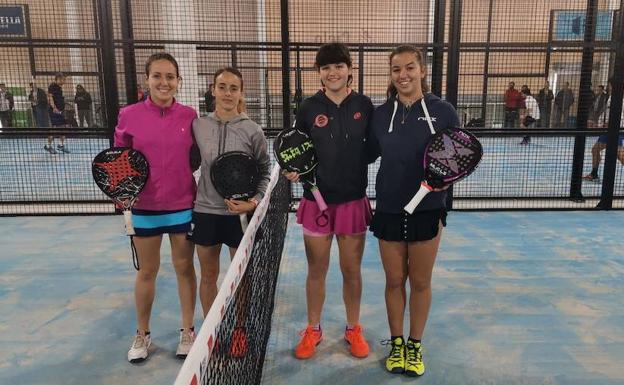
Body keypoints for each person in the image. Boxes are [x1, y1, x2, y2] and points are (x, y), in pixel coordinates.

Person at [367, 45, 460, 377]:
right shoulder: (379, 115)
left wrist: (446, 185)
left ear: (422, 70)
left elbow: (454, 158)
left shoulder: (444, 112)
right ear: (390, 74)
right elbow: (363, 155)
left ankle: (415, 345)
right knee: (394, 280)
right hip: (389, 208)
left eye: (409, 68)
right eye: (396, 69)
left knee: (420, 281)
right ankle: (396, 343)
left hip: (427, 209)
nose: (403, 75)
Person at [283, 43, 374, 360]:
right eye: (325, 68)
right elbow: (295, 150)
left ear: (349, 69)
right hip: (315, 201)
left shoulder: (364, 104)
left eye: (338, 66)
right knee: (316, 270)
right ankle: (314, 328)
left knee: (352, 270)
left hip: (352, 202)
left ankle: (353, 328)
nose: (332, 72)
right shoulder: (308, 108)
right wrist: (293, 171)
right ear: (318, 73)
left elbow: (374, 148)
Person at [114, 52, 198, 363]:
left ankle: (187, 331)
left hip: (182, 206)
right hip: (144, 207)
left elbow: (200, 156)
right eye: (157, 76)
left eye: (170, 77)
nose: (164, 82)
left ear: (178, 81)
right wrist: (122, 196)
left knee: (184, 269)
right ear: (147, 80)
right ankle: (142, 334)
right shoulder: (129, 115)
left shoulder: (190, 116)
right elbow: (119, 160)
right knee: (147, 271)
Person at [187, 67, 271, 357]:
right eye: (222, 87)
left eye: (233, 88)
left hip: (240, 216)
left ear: (241, 93)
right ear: (213, 90)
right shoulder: (198, 125)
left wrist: (254, 201)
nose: (227, 93)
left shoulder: (252, 130)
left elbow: (265, 172)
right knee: (208, 275)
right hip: (205, 212)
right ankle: (212, 331)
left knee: (240, 277)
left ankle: (240, 329)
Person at [583, 81, 624, 181]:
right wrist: (598, 123)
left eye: (609, 85)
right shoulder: (611, 97)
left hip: (616, 130)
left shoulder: (621, 99)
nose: (608, 87)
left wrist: (614, 125)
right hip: (607, 130)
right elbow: (606, 112)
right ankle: (594, 174)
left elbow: (621, 116)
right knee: (595, 150)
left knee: (619, 155)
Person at [46, 73, 69, 153]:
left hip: (60, 111)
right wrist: (54, 108)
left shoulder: (59, 88)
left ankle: (61, 145)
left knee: (63, 127)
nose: (64, 81)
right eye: (62, 79)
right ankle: (48, 146)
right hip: (55, 111)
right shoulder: (53, 86)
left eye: (64, 79)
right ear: (57, 79)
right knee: (54, 128)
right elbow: (50, 97)